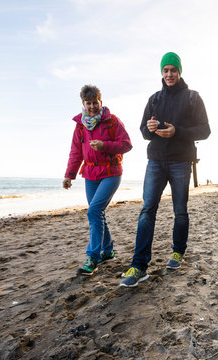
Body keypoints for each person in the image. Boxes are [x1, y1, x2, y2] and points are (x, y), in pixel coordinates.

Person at [120, 52, 210, 287]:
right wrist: (150, 128)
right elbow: (143, 131)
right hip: (156, 161)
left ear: (179, 71)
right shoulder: (154, 99)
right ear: (161, 72)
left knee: (180, 210)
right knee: (147, 210)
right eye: (165, 70)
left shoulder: (192, 98)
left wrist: (177, 131)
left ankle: (178, 252)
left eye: (173, 70)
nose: (169, 74)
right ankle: (139, 266)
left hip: (181, 161)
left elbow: (205, 130)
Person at [63, 85, 132, 276]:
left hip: (111, 172)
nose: (92, 106)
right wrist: (69, 175)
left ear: (100, 101)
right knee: (98, 214)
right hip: (90, 175)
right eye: (88, 103)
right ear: (83, 104)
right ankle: (108, 251)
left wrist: (105, 146)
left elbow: (126, 145)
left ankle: (92, 257)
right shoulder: (80, 126)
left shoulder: (112, 121)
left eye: (95, 102)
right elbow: (76, 152)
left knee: (94, 211)